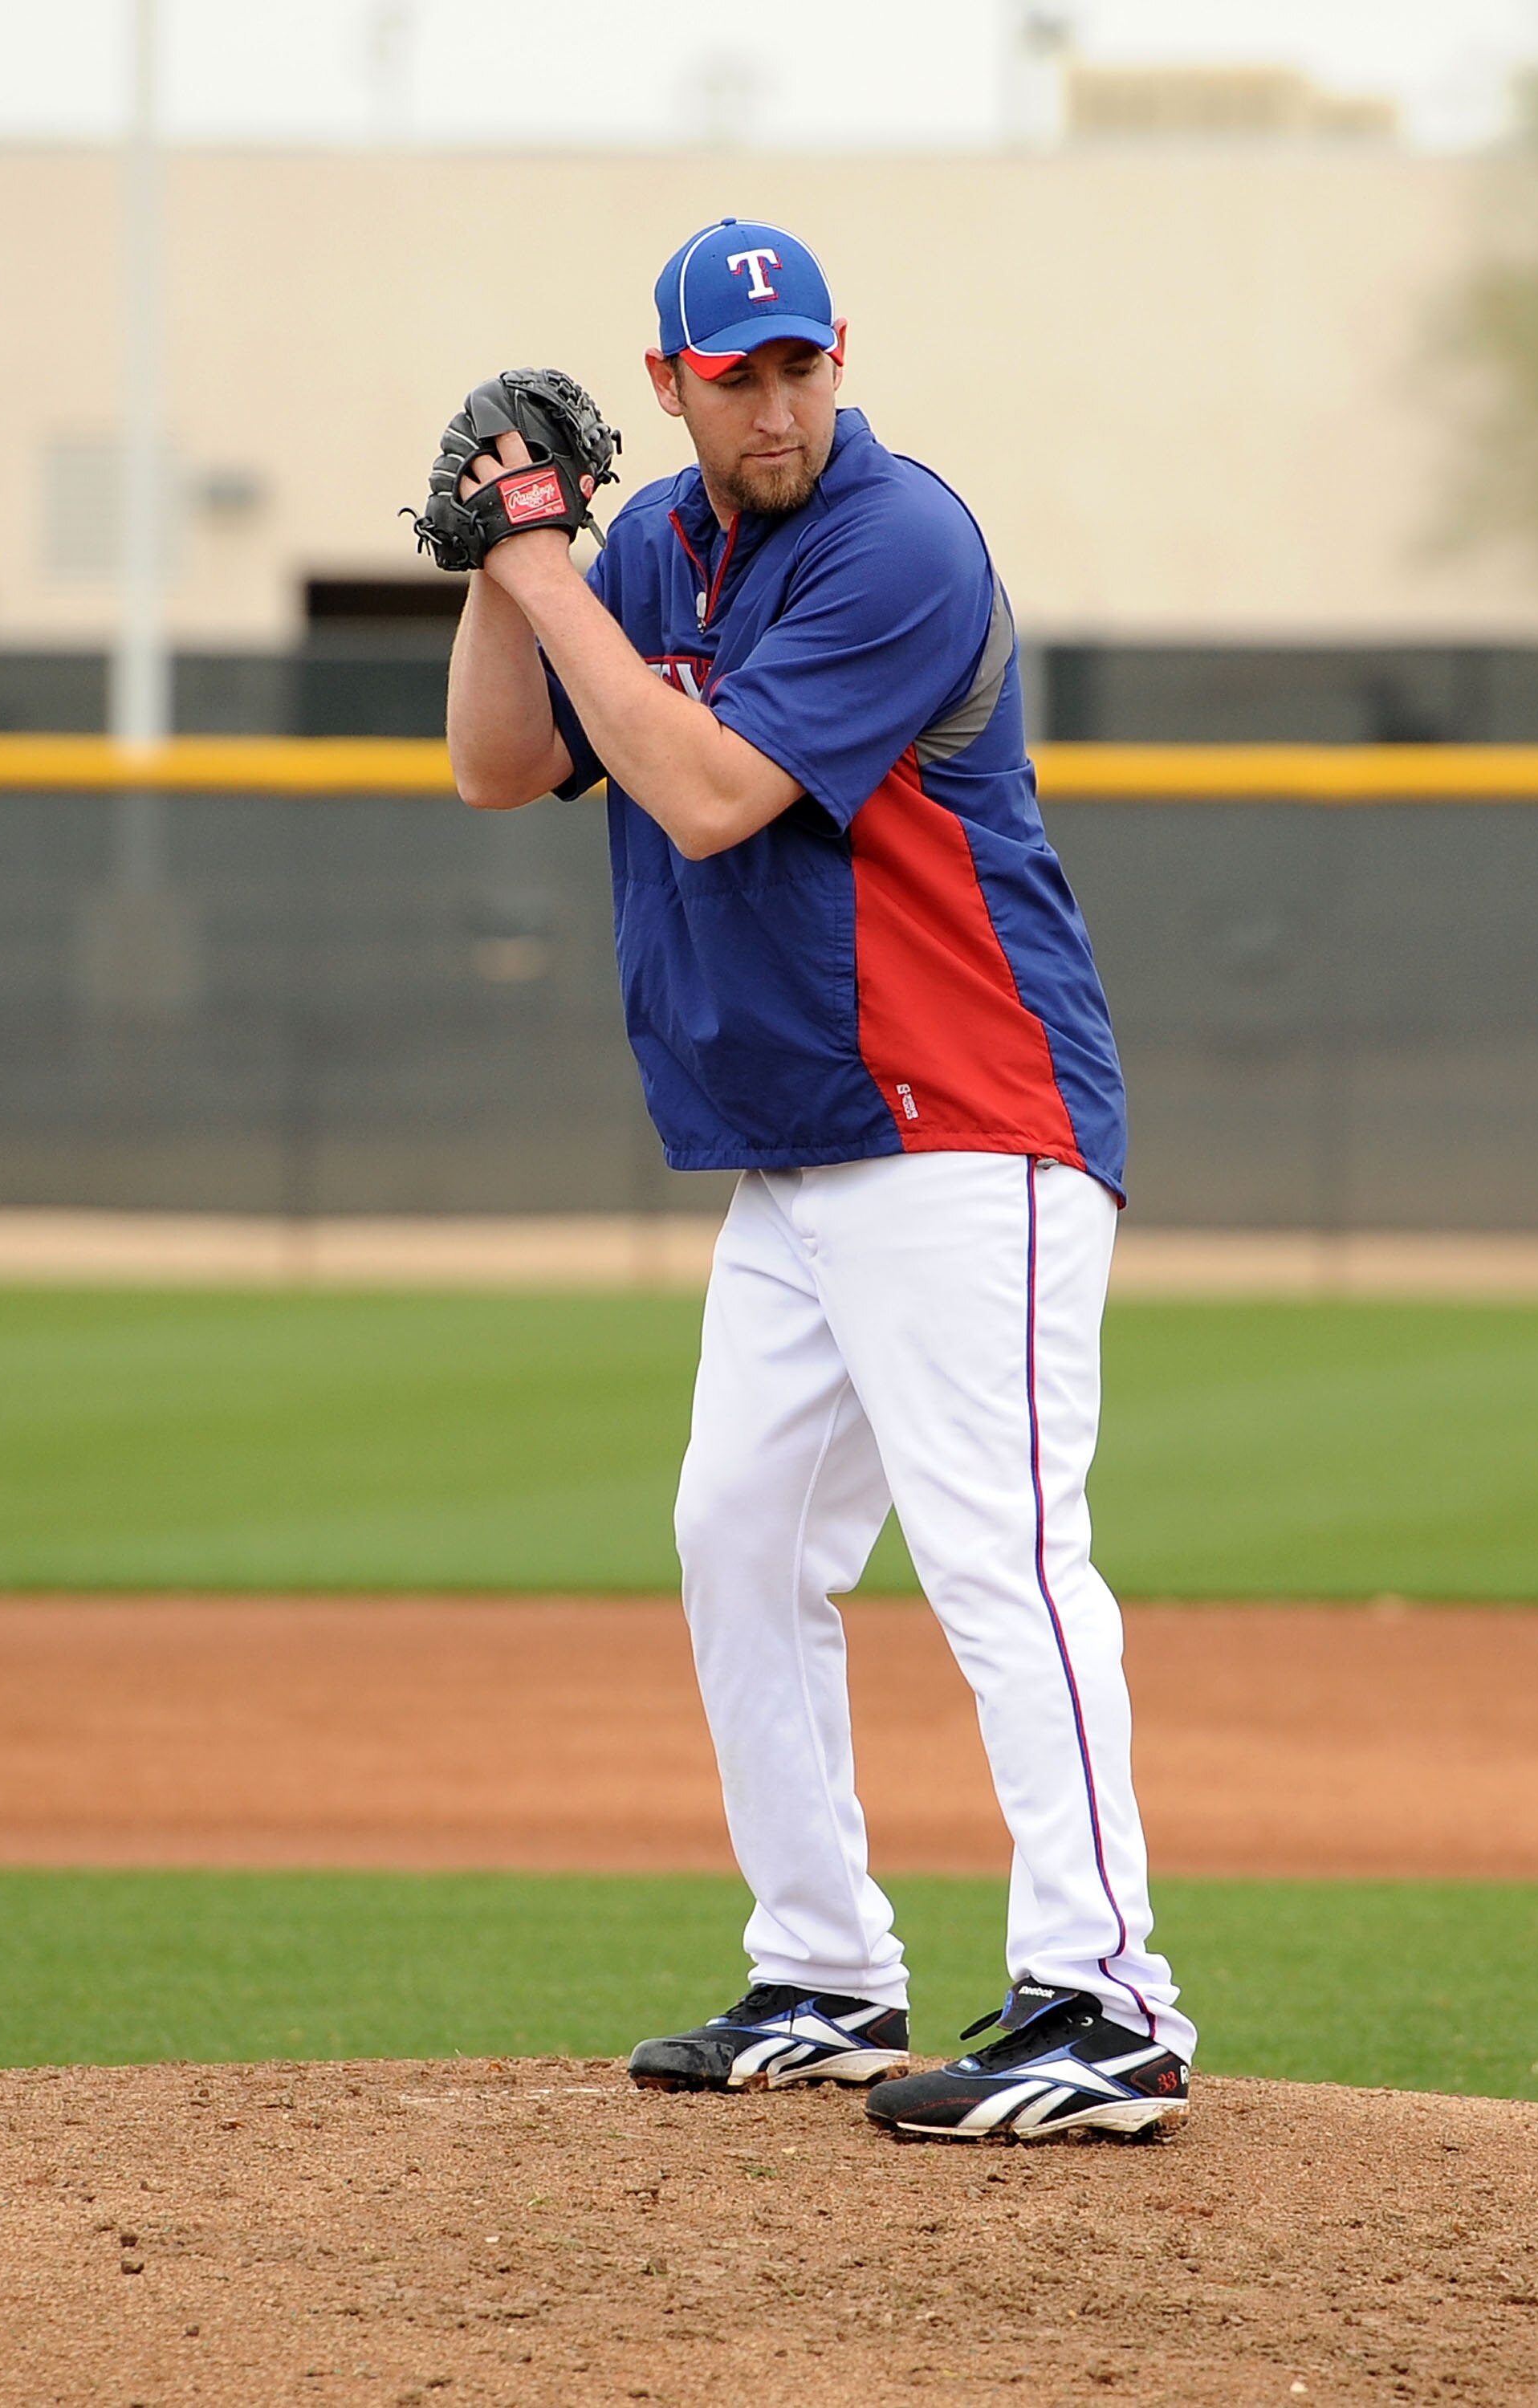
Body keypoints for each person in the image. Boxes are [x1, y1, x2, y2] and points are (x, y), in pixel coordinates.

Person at [446, 217, 1194, 2144]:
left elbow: (700, 795)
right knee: (736, 1535)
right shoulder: (652, 549)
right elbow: (494, 762)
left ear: (837, 357)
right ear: (670, 386)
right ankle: (826, 1970)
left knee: (999, 1552)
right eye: (732, 374)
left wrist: (541, 555)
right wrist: (491, 564)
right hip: (800, 1146)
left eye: (797, 366)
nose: (771, 404)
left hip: (969, 1118)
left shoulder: (898, 540)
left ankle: (1106, 2000)